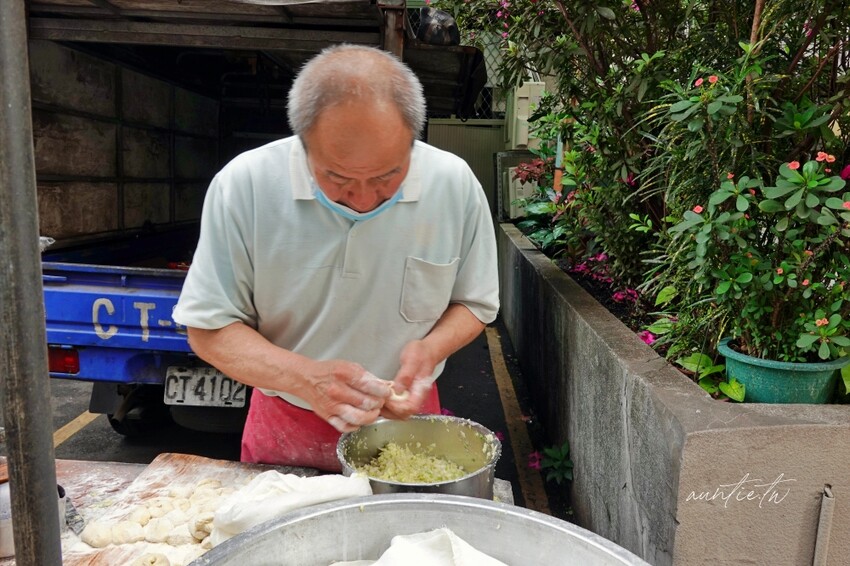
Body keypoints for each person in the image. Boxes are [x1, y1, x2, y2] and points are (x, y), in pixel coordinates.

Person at [172, 44, 499, 472]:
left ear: (413, 140)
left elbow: (474, 303)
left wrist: (430, 348)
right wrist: (305, 379)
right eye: (337, 176)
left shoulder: (453, 185)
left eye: (387, 176)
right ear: (303, 142)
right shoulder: (245, 185)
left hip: (407, 425)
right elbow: (209, 328)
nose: (363, 198)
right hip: (285, 422)